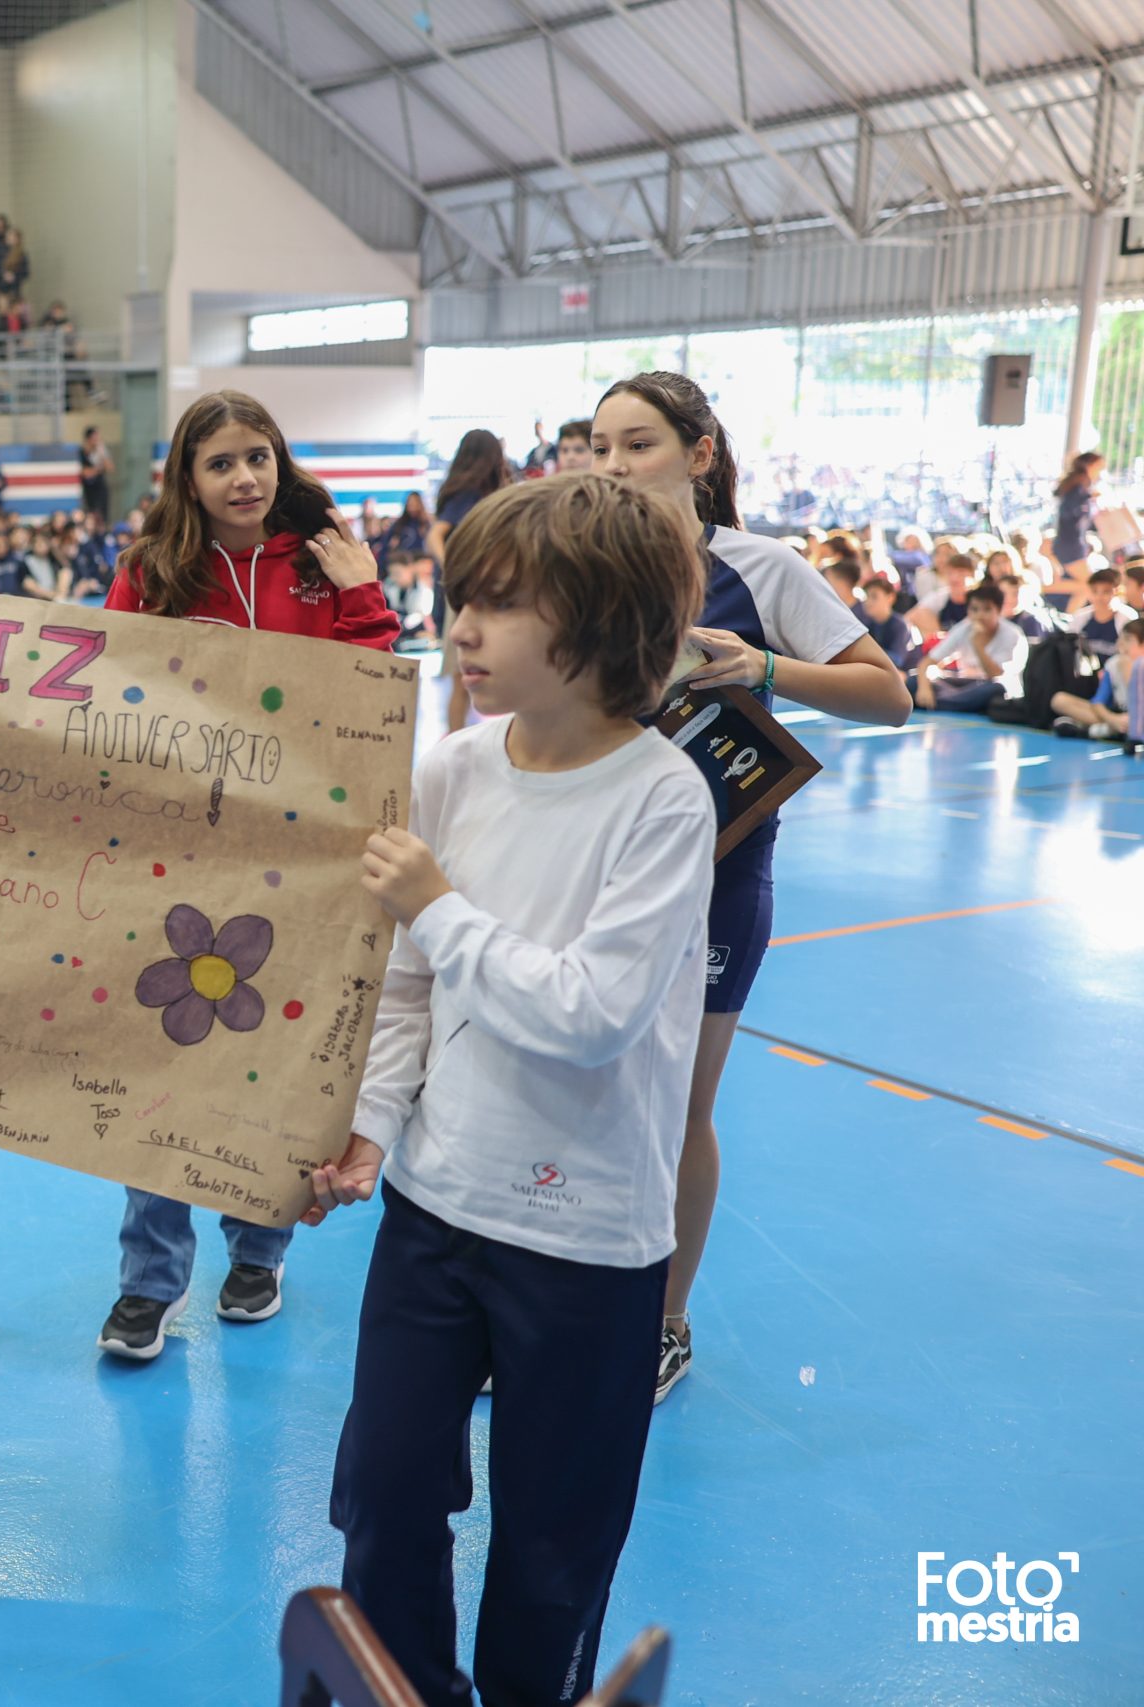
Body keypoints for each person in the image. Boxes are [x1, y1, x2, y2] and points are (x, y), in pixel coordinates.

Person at [302, 473, 715, 1707]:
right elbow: (408, 984)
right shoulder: (456, 770)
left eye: (498, 605)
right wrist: (373, 1129)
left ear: (597, 624)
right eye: (458, 597)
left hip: (588, 1241)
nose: (460, 628)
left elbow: (588, 1017)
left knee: (550, 1554)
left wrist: (437, 903)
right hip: (435, 1210)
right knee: (381, 1494)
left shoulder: (660, 799)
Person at [590, 371, 910, 1404]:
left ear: (698, 454)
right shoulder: (585, 570)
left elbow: (888, 695)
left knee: (680, 1106)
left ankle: (663, 1321)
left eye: (635, 444)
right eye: (597, 447)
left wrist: (764, 669)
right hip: (591, 869)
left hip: (719, 879)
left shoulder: (759, 568)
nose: (612, 467)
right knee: (579, 1093)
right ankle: (569, 1310)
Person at [96, 390, 398, 1360]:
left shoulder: (322, 560)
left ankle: (259, 1252)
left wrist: (357, 588)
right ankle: (150, 1279)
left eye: (258, 457)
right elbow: (111, 692)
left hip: (303, 861)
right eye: (221, 461)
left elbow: (376, 691)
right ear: (188, 475)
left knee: (277, 1068)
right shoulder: (152, 572)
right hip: (182, 856)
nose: (244, 478)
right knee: (167, 1063)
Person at [431, 428, 513, 731]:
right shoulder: (469, 493)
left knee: (466, 679)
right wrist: (458, 570)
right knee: (461, 677)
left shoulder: (474, 491)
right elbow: (435, 535)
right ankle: (454, 744)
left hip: (482, 594)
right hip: (470, 596)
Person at [915, 582, 1024, 713]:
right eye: (974, 609)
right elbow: (926, 662)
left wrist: (978, 645)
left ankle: (939, 703)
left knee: (997, 688)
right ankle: (950, 702)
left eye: (987, 609)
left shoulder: (1012, 635)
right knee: (913, 681)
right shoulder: (963, 628)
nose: (980, 615)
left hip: (993, 686)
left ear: (999, 610)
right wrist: (924, 688)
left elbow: (995, 674)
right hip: (965, 685)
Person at [1051, 618, 1142, 740]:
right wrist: (1112, 719)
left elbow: (1137, 703)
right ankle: (1111, 729)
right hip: (1118, 715)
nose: (1121, 644)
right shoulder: (1113, 664)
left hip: (1138, 717)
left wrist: (1128, 672)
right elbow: (1098, 701)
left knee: (1135, 721)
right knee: (1059, 700)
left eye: (1128, 639)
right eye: (1121, 638)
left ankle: (1090, 730)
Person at [1052, 451, 1103, 573]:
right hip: (1070, 547)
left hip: (1072, 545)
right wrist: (1087, 499)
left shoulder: (1078, 490)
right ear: (1089, 467)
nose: (1100, 473)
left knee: (1083, 586)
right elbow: (1070, 513)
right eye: (1099, 468)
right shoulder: (1078, 491)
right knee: (1088, 586)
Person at [78, 423, 112, 525]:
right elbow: (85, 473)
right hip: (89, 491)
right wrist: (99, 469)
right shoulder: (82, 453)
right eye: (95, 437)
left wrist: (102, 452)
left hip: (100, 489)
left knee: (103, 515)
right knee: (91, 514)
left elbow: (110, 467)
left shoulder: (99, 452)